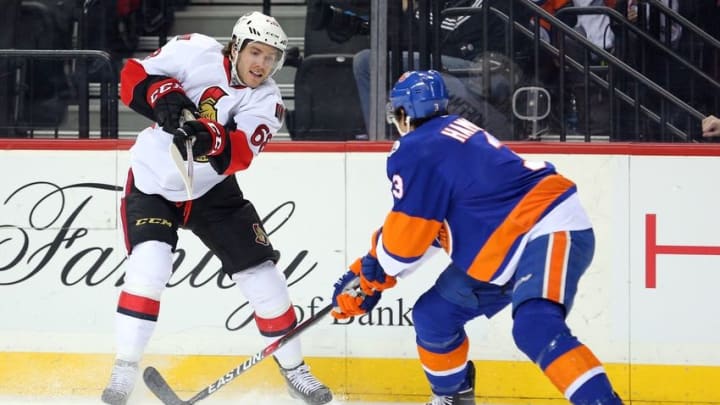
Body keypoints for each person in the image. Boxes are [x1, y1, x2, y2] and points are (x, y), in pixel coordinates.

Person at [330, 70, 623, 405]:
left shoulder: (415, 148)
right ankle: (452, 398)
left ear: (402, 113)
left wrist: (374, 272)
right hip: (505, 241)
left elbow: (403, 246)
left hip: (544, 226)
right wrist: (370, 269)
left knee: (535, 325)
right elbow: (428, 231)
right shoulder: (451, 135)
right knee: (434, 316)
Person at [101, 11, 333, 405]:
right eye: (255, 52)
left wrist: (209, 134)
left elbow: (239, 154)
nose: (262, 64)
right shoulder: (194, 50)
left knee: (264, 277)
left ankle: (295, 370)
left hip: (212, 192)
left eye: (271, 57)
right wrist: (164, 96)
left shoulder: (267, 101)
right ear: (236, 46)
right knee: (150, 264)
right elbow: (133, 74)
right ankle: (124, 367)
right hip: (154, 182)